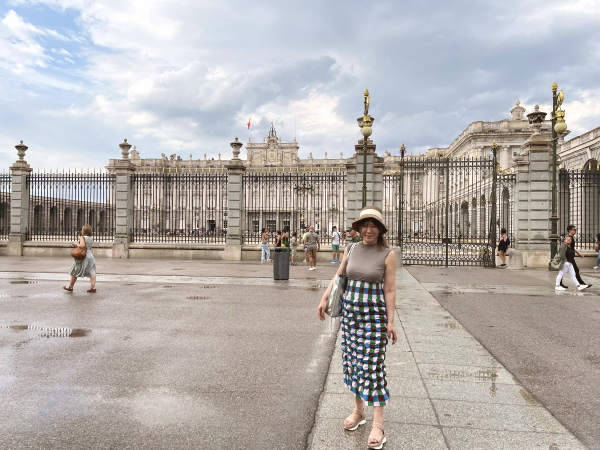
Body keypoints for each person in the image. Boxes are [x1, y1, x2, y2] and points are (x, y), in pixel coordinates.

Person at [318, 206, 397, 449]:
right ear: (359, 228)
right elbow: (340, 275)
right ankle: (358, 411)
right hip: (351, 316)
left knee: (372, 365)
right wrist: (324, 297)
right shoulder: (351, 247)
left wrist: (390, 322)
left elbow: (390, 289)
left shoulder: (388, 253)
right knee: (352, 362)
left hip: (374, 318)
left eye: (374, 225)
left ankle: (379, 424)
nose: (369, 229)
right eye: (365, 225)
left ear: (380, 229)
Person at [63, 224, 97, 293]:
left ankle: (70, 286)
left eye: (82, 230)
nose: (81, 231)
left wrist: (76, 244)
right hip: (90, 255)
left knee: (75, 270)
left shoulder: (82, 237)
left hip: (83, 256)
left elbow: (82, 246)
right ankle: (93, 287)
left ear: (84, 231)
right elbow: (90, 248)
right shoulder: (90, 238)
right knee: (91, 271)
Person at [559, 225, 591, 289]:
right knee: (570, 271)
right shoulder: (569, 238)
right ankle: (581, 284)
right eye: (574, 229)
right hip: (568, 257)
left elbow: (571, 248)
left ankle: (560, 284)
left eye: (575, 229)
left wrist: (578, 253)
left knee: (569, 271)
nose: (575, 231)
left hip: (569, 257)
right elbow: (565, 247)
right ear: (570, 230)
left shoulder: (570, 237)